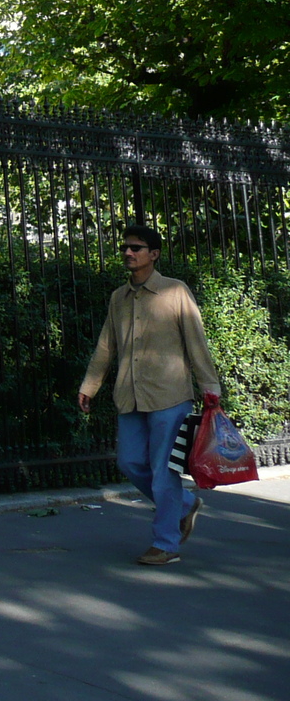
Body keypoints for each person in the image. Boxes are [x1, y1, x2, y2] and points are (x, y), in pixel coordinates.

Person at [77, 223, 221, 566]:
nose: (128, 252)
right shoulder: (118, 298)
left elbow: (195, 341)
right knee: (129, 462)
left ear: (153, 255)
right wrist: (89, 385)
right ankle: (185, 505)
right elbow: (106, 346)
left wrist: (209, 386)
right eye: (125, 247)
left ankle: (166, 543)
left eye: (136, 248)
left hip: (170, 395)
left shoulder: (175, 292)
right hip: (130, 394)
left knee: (162, 470)